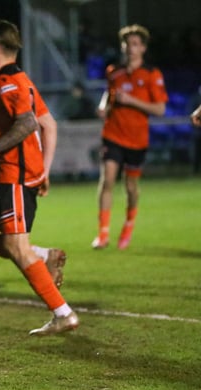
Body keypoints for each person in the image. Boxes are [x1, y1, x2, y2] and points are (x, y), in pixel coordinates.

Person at [0, 19, 78, 336]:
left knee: (16, 248)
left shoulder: (7, 81)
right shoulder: (22, 80)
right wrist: (44, 170)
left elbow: (28, 124)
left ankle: (63, 313)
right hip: (11, 176)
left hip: (15, 176)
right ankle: (46, 256)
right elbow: (48, 124)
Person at [92, 24, 168, 250]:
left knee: (131, 187)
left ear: (143, 48)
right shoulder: (113, 71)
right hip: (113, 134)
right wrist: (103, 106)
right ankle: (103, 234)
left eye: (135, 44)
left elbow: (160, 109)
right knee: (107, 180)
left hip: (137, 139)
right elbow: (109, 93)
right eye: (127, 44)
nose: (130, 48)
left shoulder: (152, 74)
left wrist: (132, 101)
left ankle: (128, 226)